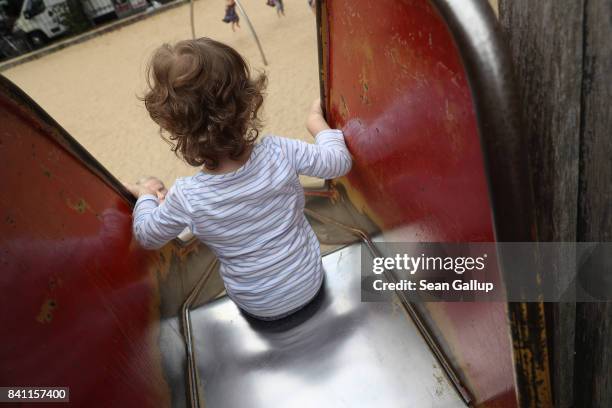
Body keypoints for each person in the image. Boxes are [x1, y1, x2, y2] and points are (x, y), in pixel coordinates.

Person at [126, 38, 352, 321]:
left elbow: (146, 235)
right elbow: (338, 163)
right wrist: (317, 125)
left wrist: (146, 193)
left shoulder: (187, 196)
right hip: (308, 283)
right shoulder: (280, 151)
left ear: (171, 124)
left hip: (257, 305)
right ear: (248, 101)